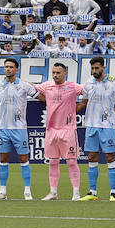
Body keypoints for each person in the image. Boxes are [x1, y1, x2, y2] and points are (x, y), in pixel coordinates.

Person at [0, 57, 34, 200]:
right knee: (3, 159)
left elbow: (41, 96)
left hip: (19, 128)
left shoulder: (24, 86)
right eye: (6, 67)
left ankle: (27, 191)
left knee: (24, 158)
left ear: (16, 70)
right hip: (2, 129)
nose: (8, 69)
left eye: (11, 67)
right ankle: (3, 192)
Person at [33, 61, 84, 201]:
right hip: (51, 130)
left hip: (68, 129)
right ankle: (53, 193)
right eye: (54, 72)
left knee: (72, 162)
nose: (55, 75)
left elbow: (88, 92)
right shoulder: (47, 85)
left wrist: (76, 109)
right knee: (53, 162)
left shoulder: (73, 87)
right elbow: (31, 88)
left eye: (58, 73)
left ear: (65, 73)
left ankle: (76, 193)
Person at [79, 57, 115, 201]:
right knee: (92, 157)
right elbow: (83, 102)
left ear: (103, 68)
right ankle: (92, 192)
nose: (94, 71)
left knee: (110, 157)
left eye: (97, 68)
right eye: (92, 68)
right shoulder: (88, 84)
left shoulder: (113, 84)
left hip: (107, 126)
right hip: (91, 126)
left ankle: (113, 192)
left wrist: (114, 112)